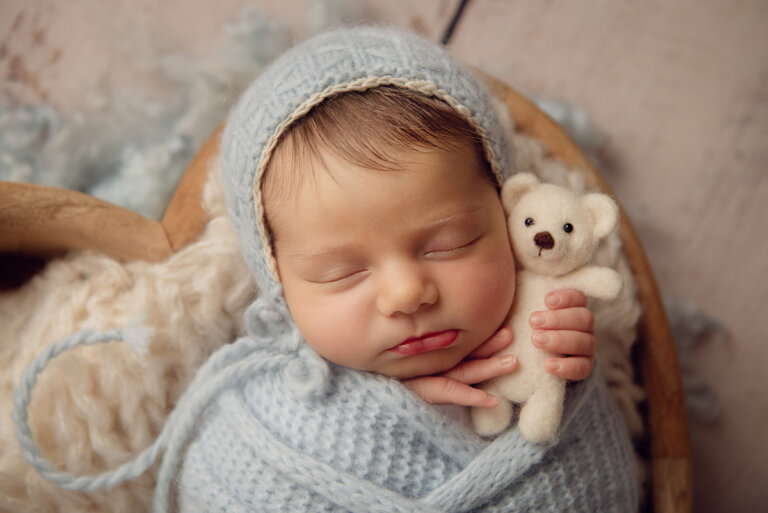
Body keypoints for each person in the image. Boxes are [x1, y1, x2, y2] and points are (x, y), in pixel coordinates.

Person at [14, 26, 638, 512]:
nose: (407, 293)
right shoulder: (265, 416)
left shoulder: (547, 318)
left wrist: (566, 365)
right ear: (278, 285)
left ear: (508, 217)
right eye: (342, 274)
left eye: (448, 244)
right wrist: (379, 413)